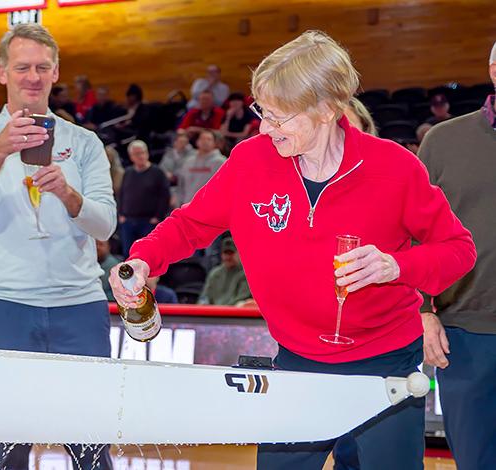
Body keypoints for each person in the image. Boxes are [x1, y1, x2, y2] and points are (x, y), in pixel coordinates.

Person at [109, 30, 475, 470]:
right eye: (262, 111)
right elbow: (191, 223)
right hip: (297, 360)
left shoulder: (395, 168)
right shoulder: (250, 162)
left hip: (386, 364)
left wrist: (396, 265)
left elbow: (459, 249)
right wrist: (144, 258)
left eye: (279, 117)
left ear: (326, 109)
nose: (264, 127)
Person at [0, 24, 116, 470]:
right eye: (22, 67)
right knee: (6, 450)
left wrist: (68, 194)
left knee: (91, 448)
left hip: (78, 305)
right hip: (3, 304)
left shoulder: (83, 143)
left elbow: (106, 224)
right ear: (3, 72)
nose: (33, 77)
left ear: (56, 72)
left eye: (42, 67)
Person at [416, 41, 496, 470]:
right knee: (476, 461)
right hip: (464, 334)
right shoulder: (443, 142)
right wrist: (424, 311)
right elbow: (411, 237)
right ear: (494, 70)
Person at [117, 140, 170, 257]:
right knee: (128, 254)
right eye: (136, 154)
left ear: (147, 153)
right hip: (128, 220)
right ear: (131, 157)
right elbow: (122, 193)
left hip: (148, 221)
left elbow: (165, 196)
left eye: (142, 152)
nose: (140, 156)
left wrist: (158, 217)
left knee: (148, 255)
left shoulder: (157, 172)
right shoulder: (128, 172)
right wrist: (121, 214)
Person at [176, 130, 226, 206]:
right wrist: (179, 200)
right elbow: (181, 183)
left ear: (215, 143)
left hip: (208, 206)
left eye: (208, 139)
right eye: (202, 138)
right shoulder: (188, 161)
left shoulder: (221, 162)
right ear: (197, 142)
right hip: (186, 204)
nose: (205, 141)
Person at [198, 238, 251, 306]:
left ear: (239, 253)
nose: (227, 257)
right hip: (213, 313)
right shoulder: (215, 274)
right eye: (225, 253)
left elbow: (242, 298)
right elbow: (204, 297)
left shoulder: (246, 274)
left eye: (231, 253)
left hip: (234, 313)